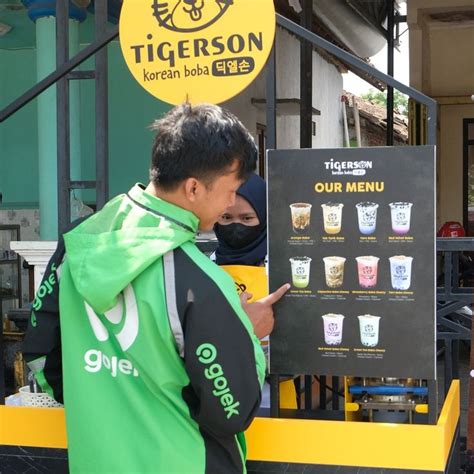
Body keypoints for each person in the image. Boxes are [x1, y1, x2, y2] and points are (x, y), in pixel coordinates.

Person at [23, 103, 289, 474]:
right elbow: (232, 411)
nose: (231, 203)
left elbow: (39, 352)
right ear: (194, 187)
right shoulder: (199, 280)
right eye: (230, 191)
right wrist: (244, 331)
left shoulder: (78, 244)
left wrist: (103, 398)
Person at [213, 174, 298, 409]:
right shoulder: (206, 267)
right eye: (227, 217)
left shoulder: (285, 269)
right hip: (220, 398)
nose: (235, 226)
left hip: (276, 402)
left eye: (247, 218)